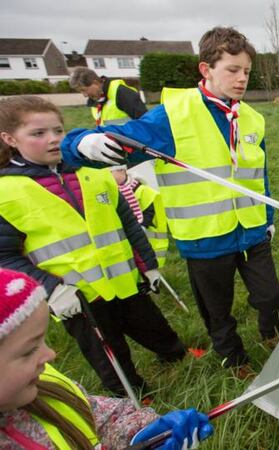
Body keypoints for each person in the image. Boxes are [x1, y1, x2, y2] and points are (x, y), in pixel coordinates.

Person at [61, 27, 279, 377]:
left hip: (254, 230)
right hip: (205, 238)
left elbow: (261, 173)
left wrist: (267, 215)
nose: (242, 79)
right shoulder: (174, 115)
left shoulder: (252, 118)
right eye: (232, 69)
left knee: (270, 294)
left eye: (246, 71)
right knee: (218, 310)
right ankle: (233, 358)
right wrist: (80, 143)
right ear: (206, 69)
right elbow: (127, 137)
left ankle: (272, 333)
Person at [0, 95, 188, 400]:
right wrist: (51, 290)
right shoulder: (5, 193)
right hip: (78, 296)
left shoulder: (93, 173)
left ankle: (175, 353)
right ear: (9, 139)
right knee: (107, 351)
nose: (52, 140)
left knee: (152, 325)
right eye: (38, 133)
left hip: (125, 281)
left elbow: (127, 223)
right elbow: (5, 258)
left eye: (58, 131)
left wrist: (148, 265)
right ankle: (131, 392)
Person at [0, 268, 213, 449]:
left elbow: (99, 416)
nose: (51, 355)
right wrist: (52, 285)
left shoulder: (46, 381)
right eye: (28, 350)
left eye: (44, 341)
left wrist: (139, 432)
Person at [110, 165, 170, 268]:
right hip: (123, 236)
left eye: (110, 173)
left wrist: (142, 225)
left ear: (122, 170)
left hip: (144, 235)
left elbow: (150, 210)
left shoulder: (142, 190)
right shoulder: (110, 192)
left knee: (145, 264)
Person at [70, 67, 147, 126]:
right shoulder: (94, 101)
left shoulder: (122, 92)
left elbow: (145, 123)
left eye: (84, 90)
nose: (85, 95)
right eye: (80, 92)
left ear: (95, 83)